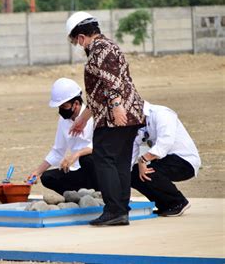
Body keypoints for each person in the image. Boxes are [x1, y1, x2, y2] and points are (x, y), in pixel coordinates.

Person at [66, 12, 145, 226]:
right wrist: (83, 118)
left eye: (76, 42)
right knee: (119, 162)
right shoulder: (109, 47)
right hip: (127, 113)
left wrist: (117, 107)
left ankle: (114, 210)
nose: (78, 46)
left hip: (114, 116)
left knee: (104, 159)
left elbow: (111, 82)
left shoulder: (100, 49)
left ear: (82, 37)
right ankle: (121, 210)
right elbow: (98, 92)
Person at [26, 78, 98, 195]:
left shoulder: (93, 116)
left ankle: (100, 194)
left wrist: (77, 154)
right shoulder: (63, 120)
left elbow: (101, 146)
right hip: (77, 170)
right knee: (47, 177)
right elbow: (58, 151)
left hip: (97, 169)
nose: (61, 110)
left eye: (64, 107)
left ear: (76, 104)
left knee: (87, 160)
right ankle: (77, 197)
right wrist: (37, 172)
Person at [131, 101, 201, 217]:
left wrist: (142, 160)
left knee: (150, 170)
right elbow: (132, 151)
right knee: (134, 174)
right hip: (164, 160)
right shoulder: (135, 124)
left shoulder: (162, 113)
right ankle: (165, 205)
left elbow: (165, 143)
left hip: (184, 161)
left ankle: (178, 202)